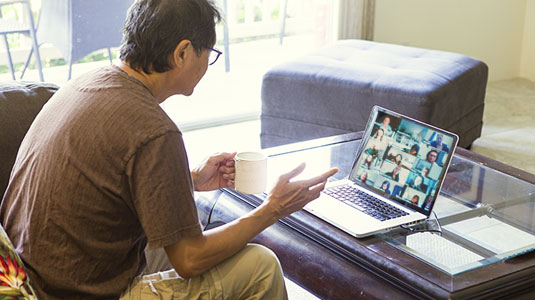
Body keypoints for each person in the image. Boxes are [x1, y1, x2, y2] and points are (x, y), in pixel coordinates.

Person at [0, 1, 338, 299]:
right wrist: (272, 209)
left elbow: (105, 186)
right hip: (74, 292)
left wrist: (188, 179)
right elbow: (189, 260)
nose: (209, 63)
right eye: (210, 53)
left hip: (36, 273)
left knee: (184, 232)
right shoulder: (155, 130)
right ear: (182, 52)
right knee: (259, 266)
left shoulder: (85, 83)